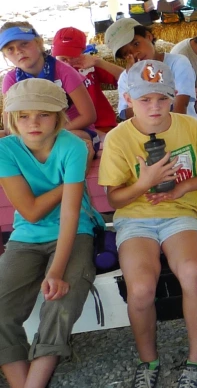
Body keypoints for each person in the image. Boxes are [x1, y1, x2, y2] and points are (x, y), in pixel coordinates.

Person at [98, 60, 197, 388]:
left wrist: (183, 187)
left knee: (192, 273)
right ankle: (149, 361)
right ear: (128, 99)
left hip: (180, 213)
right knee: (141, 288)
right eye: (145, 100)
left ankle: (196, 360)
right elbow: (114, 200)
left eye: (162, 98)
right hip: (135, 220)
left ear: (174, 95)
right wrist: (145, 183)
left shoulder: (189, 126)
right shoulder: (118, 138)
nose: (155, 107)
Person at [0, 79, 102, 388]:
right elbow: (31, 212)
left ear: (58, 116)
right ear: (11, 118)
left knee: (60, 303)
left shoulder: (72, 146)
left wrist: (56, 271)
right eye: (23, 116)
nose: (33, 123)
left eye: (43, 114)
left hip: (75, 231)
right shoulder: (5, 149)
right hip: (25, 236)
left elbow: (70, 214)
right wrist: (70, 182)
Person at [1, 23, 98, 150]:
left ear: (39, 43)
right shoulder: (11, 79)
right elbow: (9, 126)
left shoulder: (64, 71)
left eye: (24, 44)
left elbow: (89, 116)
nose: (18, 51)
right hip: (31, 134)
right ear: (5, 56)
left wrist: (49, 135)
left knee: (70, 140)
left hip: (68, 129)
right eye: (10, 49)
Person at [105, 18, 197, 123]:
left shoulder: (178, 62)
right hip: (148, 130)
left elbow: (181, 106)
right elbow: (127, 114)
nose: (135, 53)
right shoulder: (126, 77)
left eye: (136, 44)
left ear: (149, 36)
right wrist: (136, 77)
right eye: (126, 53)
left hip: (183, 126)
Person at [50, 26, 119, 135]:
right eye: (63, 59)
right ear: (53, 52)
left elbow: (128, 79)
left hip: (103, 125)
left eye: (73, 57)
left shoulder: (90, 66)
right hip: (73, 127)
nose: (68, 63)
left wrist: (98, 62)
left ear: (83, 51)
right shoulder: (50, 72)